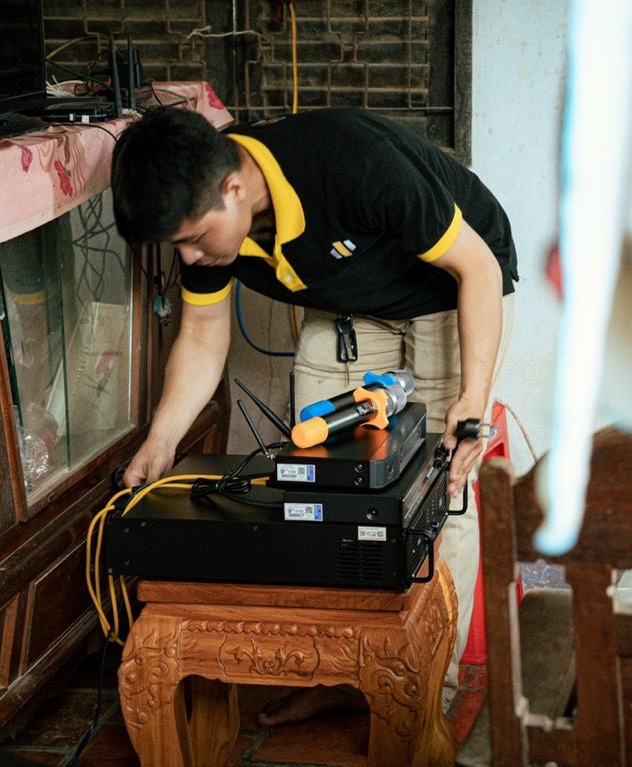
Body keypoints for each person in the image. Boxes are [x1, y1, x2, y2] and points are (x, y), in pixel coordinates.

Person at [110, 105, 517, 724]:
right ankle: (345, 671)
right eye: (177, 246)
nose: (188, 258)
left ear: (234, 189)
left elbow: (477, 267)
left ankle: (429, 690)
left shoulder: (353, 164)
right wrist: (161, 440)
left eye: (194, 238)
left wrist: (472, 396)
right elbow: (202, 333)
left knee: (439, 489)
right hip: (355, 298)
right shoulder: (211, 214)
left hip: (452, 288)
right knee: (320, 485)